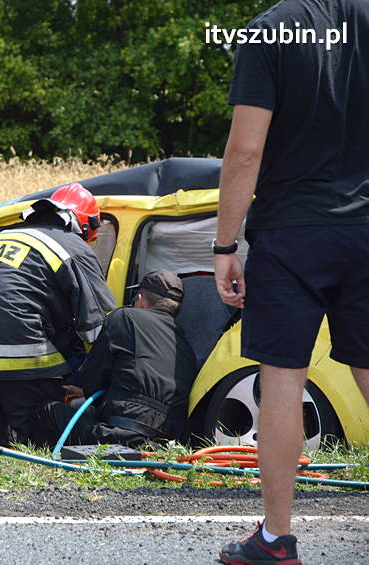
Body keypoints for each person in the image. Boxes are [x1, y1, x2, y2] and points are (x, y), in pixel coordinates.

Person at [214, 2, 369, 563]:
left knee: (282, 380)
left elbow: (246, 149)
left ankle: (277, 540)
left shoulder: (270, 29)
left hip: (291, 233)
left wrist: (225, 246)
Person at [0, 183, 116, 446]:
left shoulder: (3, 237)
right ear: (84, 227)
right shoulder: (71, 245)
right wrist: (95, 385)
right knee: (36, 440)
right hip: (20, 357)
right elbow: (99, 327)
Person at [31, 270, 197, 448]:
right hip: (169, 444)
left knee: (47, 410)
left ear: (140, 300)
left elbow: (94, 378)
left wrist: (85, 389)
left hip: (121, 435)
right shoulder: (187, 346)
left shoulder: (125, 317)